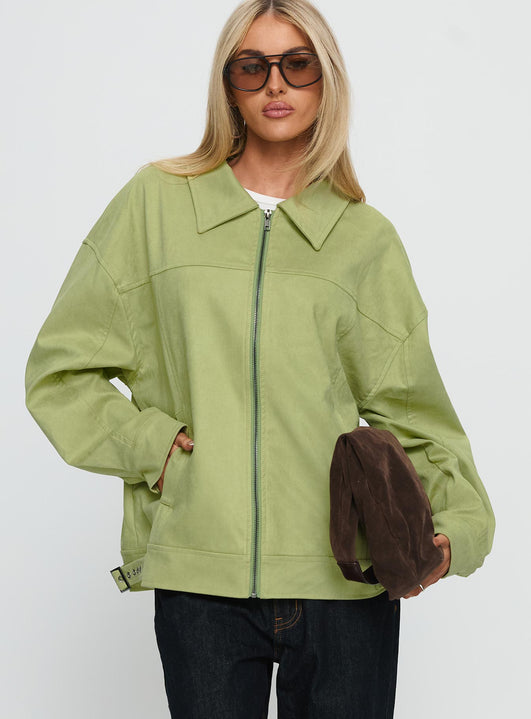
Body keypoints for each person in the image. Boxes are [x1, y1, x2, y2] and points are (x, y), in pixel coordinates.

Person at [24, 0, 495, 717]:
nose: (276, 84)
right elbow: (60, 371)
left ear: (326, 80)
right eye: (252, 67)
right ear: (229, 85)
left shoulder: (364, 238)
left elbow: (414, 409)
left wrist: (457, 529)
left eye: (297, 64)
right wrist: (152, 446)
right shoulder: (156, 205)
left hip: (344, 579)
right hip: (201, 580)